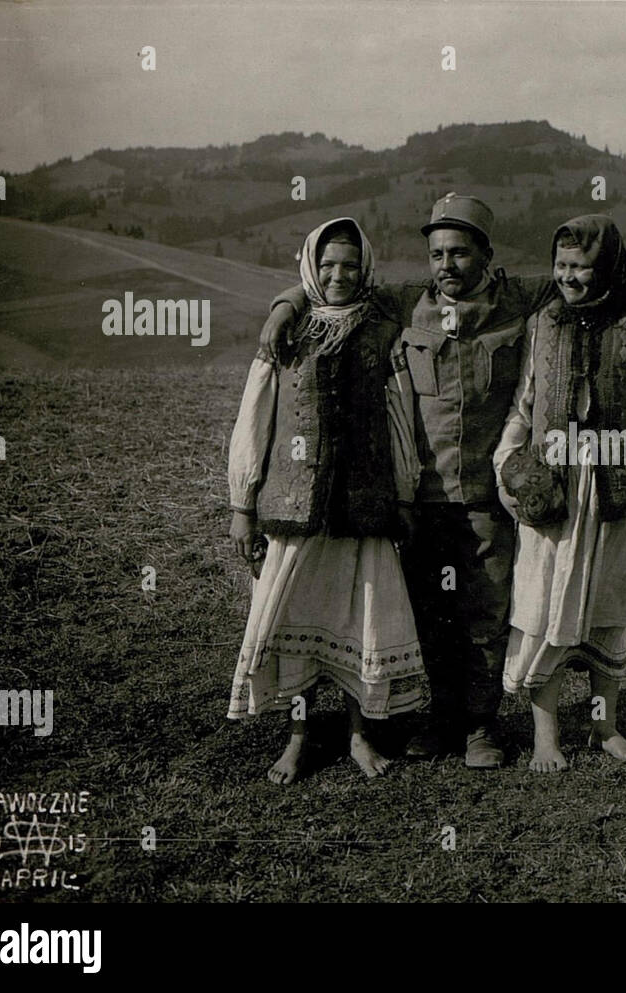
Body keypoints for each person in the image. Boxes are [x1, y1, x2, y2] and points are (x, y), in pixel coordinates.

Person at [260, 194, 626, 768]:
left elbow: (610, 273)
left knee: (484, 618)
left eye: (459, 252)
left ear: (486, 255)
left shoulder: (521, 297)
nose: (446, 264)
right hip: (423, 500)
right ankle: (433, 721)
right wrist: (283, 306)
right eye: (437, 253)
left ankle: (480, 727)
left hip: (489, 499)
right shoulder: (404, 303)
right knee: (427, 616)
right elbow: (330, 288)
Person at [493, 215, 626, 772]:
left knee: (609, 609)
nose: (568, 278)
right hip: (553, 490)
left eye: (581, 267)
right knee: (543, 608)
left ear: (605, 267)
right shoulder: (545, 322)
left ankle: (605, 727)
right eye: (560, 266)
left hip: (619, 485)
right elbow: (524, 404)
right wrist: (506, 464)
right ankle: (545, 738)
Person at [226, 217, 425, 784]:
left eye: (351, 265)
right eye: (329, 265)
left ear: (366, 269)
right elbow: (255, 419)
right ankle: (299, 737)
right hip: (294, 508)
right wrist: (243, 504)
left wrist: (404, 496)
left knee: (363, 620)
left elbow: (398, 420)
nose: (339, 276)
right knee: (295, 623)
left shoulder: (383, 330)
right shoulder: (284, 334)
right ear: (311, 267)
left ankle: (361, 736)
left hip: (362, 508)